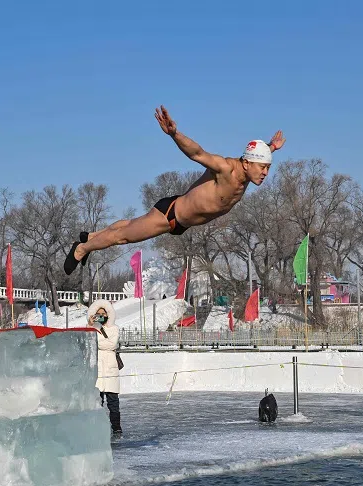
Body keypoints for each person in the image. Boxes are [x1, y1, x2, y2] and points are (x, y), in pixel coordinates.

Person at [64, 106, 285, 274]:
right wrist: (174, 134)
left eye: (268, 167)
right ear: (247, 163)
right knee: (123, 236)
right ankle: (82, 249)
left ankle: (92, 236)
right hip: (170, 216)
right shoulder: (225, 168)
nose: (265, 173)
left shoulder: (248, 170)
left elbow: (258, 157)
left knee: (129, 225)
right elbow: (197, 153)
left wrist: (271, 147)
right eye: (263, 167)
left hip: (180, 219)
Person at [88, 299, 122, 438]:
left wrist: (99, 341)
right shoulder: (90, 329)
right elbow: (90, 344)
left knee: (113, 402)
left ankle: (116, 428)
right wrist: (92, 326)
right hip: (97, 369)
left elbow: (111, 344)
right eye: (98, 314)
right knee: (98, 401)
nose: (101, 316)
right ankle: (98, 428)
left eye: (103, 313)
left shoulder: (114, 329)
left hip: (110, 369)